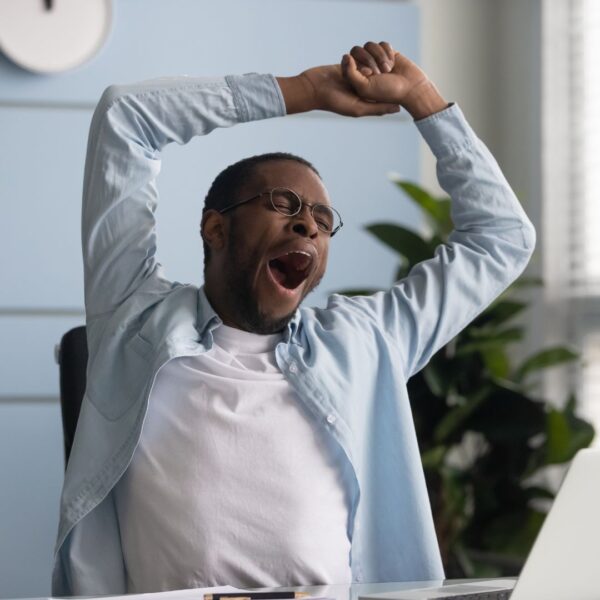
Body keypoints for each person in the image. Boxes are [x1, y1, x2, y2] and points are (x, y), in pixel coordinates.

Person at [52, 42, 535, 596]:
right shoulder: (132, 315)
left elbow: (503, 237)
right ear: (215, 229)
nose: (309, 224)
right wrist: (303, 92)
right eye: (283, 204)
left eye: (324, 218)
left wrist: (421, 99)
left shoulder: (367, 342)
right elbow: (126, 118)